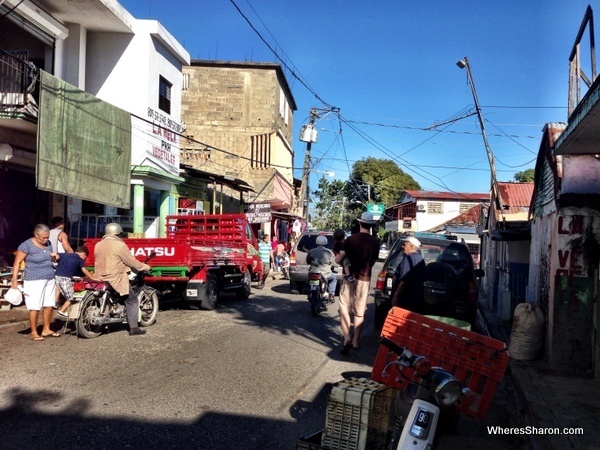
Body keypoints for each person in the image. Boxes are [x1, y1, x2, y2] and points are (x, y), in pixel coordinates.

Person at [335, 212, 380, 355]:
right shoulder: (375, 242)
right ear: (371, 225)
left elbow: (338, 259)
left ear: (360, 223)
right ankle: (355, 341)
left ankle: (346, 337)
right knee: (359, 313)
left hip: (349, 279)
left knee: (344, 309)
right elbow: (373, 262)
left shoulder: (349, 240)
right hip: (364, 280)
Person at [94, 223, 151, 336]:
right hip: (115, 277)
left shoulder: (98, 244)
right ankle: (134, 328)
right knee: (132, 300)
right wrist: (145, 267)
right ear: (118, 233)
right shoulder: (120, 245)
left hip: (100, 276)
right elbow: (131, 261)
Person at [11, 224, 60, 340]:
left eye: (47, 237)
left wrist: (54, 258)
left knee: (49, 304)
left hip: (49, 277)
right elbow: (17, 263)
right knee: (35, 306)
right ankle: (34, 332)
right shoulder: (26, 245)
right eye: (43, 237)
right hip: (34, 279)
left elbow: (50, 258)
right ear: (36, 235)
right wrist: (14, 281)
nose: (46, 240)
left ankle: (46, 329)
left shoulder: (48, 244)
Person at [55, 246, 99, 318]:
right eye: (85, 257)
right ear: (83, 254)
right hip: (65, 278)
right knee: (72, 297)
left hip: (57, 277)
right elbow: (84, 270)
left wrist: (54, 259)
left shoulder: (65, 254)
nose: (84, 259)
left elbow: (54, 254)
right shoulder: (79, 259)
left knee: (60, 289)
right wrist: (92, 277)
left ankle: (55, 302)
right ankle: (62, 311)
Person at [390, 236, 426, 314]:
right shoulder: (420, 259)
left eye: (404, 244)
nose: (402, 246)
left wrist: (395, 296)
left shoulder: (408, 259)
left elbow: (403, 280)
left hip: (405, 298)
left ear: (411, 246)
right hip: (415, 298)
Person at [306, 234, 337, 301]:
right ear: (325, 242)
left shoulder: (311, 251)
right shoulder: (329, 252)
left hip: (313, 272)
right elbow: (333, 263)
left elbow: (308, 261)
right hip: (325, 273)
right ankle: (331, 294)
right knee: (333, 279)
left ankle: (309, 292)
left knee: (308, 281)